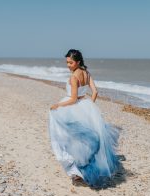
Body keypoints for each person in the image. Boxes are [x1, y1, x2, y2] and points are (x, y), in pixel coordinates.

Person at [49, 49, 121, 188]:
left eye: (70, 62)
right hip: (85, 105)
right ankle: (83, 167)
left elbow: (73, 98)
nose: (68, 65)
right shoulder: (87, 73)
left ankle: (76, 172)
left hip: (73, 106)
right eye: (67, 62)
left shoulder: (74, 77)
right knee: (82, 138)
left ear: (78, 62)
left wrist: (58, 105)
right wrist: (90, 107)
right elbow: (95, 91)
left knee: (68, 136)